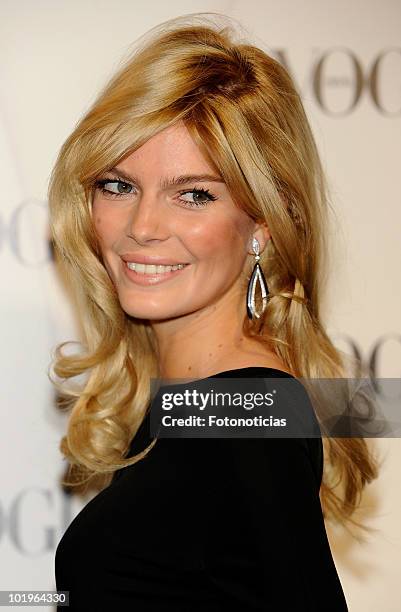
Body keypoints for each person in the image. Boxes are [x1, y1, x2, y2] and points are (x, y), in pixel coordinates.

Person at [48, 12, 379, 611]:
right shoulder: (204, 407)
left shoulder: (249, 420)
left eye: (193, 195)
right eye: (118, 185)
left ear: (265, 226)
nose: (141, 228)